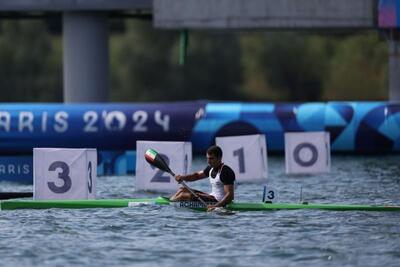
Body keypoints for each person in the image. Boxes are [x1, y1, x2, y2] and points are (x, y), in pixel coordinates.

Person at [170, 145, 235, 211]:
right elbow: (197, 176)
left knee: (184, 195)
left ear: (219, 158)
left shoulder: (226, 172)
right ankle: (170, 201)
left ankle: (168, 205)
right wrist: (183, 177)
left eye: (211, 158)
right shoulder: (211, 167)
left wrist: (215, 206)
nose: (208, 161)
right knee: (182, 189)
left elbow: (230, 196)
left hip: (218, 201)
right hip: (212, 197)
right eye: (207, 158)